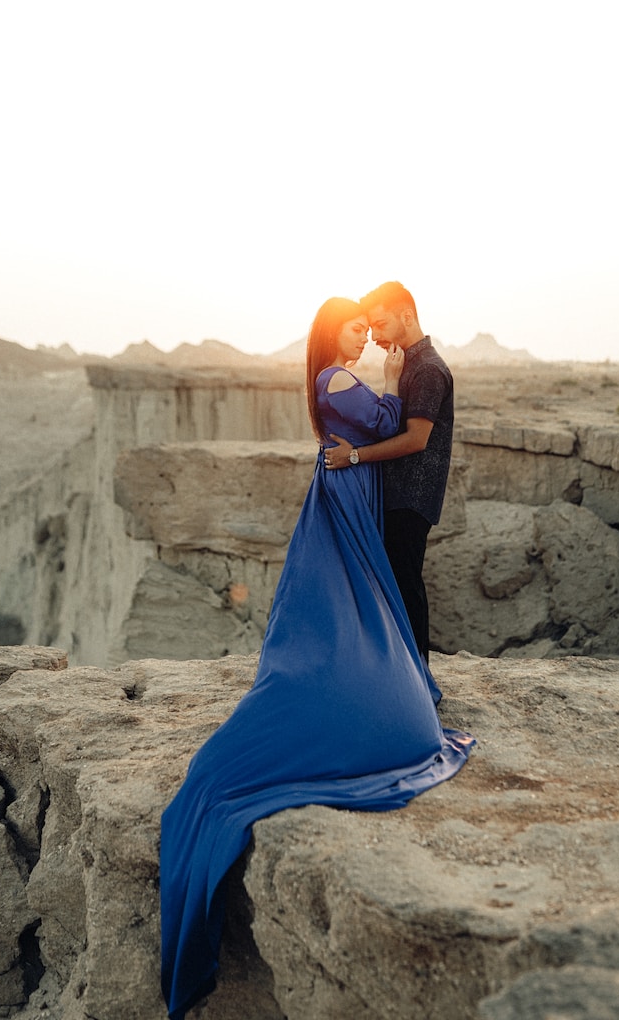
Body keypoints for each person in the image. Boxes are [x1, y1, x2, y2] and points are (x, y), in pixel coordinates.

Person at [159, 297, 473, 1019]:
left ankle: (386, 678)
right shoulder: (337, 379)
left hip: (354, 491)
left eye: (370, 324)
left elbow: (394, 427)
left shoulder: (351, 377)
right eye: (354, 326)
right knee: (349, 600)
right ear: (333, 335)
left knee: (371, 597)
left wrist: (388, 384)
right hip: (348, 492)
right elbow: (395, 429)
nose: (364, 334)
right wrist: (388, 386)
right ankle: (359, 689)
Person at [324, 282, 453, 663]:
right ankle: (404, 676)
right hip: (396, 495)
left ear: (407, 316)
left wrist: (356, 457)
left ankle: (419, 681)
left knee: (406, 587)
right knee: (395, 587)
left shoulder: (427, 368)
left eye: (379, 325)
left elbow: (416, 440)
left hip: (411, 497)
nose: (375, 336)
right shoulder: (407, 364)